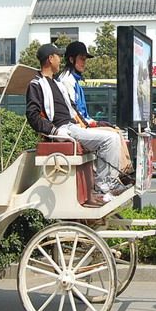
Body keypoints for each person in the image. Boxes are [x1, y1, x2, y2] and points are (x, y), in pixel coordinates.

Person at [25, 43, 126, 205]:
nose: (60, 60)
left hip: (73, 127)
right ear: (50, 59)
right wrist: (55, 131)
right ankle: (104, 185)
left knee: (113, 136)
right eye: (58, 56)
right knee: (110, 140)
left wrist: (92, 124)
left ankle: (108, 182)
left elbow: (74, 110)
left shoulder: (57, 84)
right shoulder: (36, 84)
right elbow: (32, 116)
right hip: (64, 129)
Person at [57, 41, 133, 175]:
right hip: (74, 127)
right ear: (71, 59)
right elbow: (74, 113)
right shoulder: (66, 81)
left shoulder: (74, 80)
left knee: (117, 131)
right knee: (113, 136)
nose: (84, 63)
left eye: (85, 59)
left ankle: (124, 172)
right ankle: (112, 177)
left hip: (82, 124)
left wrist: (95, 122)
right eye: (81, 59)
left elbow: (82, 113)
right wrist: (93, 124)